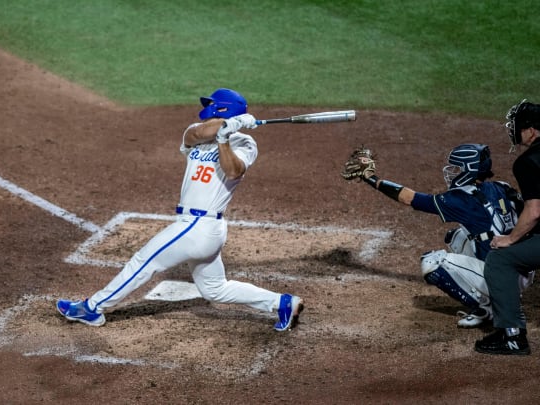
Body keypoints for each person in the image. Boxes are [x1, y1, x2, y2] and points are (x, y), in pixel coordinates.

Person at [55, 88, 303, 331]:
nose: (206, 108)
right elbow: (194, 135)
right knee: (214, 289)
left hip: (200, 227)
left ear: (222, 108)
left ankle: (92, 308)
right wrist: (228, 126)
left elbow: (234, 170)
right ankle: (281, 303)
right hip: (198, 228)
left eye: (211, 104)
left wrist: (226, 137)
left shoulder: (245, 142)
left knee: (143, 261)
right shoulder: (196, 134)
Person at [342, 143, 533, 328]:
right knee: (457, 236)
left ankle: (486, 307)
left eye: (457, 168)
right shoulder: (501, 187)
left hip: (503, 275)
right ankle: (502, 293)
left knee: (432, 262)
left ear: (469, 170)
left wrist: (370, 177)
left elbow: (410, 199)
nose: (452, 172)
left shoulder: (461, 199)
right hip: (520, 267)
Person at [475, 99, 540, 355]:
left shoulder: (527, 162)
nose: (514, 130)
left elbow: (535, 211)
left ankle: (512, 335)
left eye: (520, 126)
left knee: (500, 260)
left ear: (532, 131)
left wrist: (511, 239)